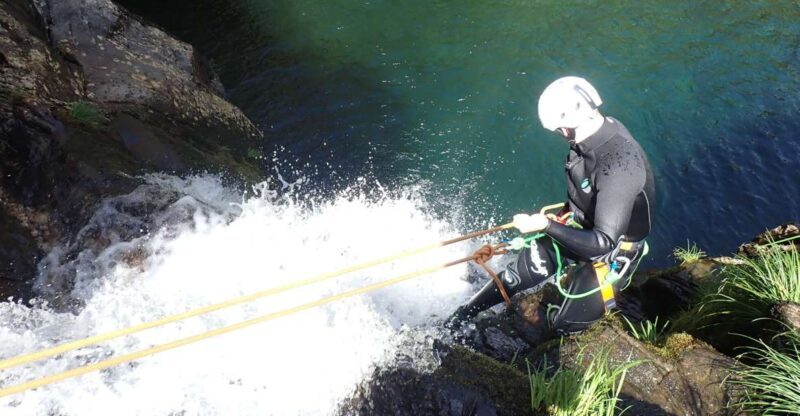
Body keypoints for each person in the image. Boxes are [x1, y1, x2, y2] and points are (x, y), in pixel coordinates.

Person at [448, 76, 655, 335]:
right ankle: (458, 318)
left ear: (566, 126)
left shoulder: (619, 165)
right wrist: (556, 223)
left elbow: (603, 242)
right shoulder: (594, 135)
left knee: (563, 326)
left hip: (611, 250)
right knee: (513, 278)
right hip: (582, 225)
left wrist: (545, 225)